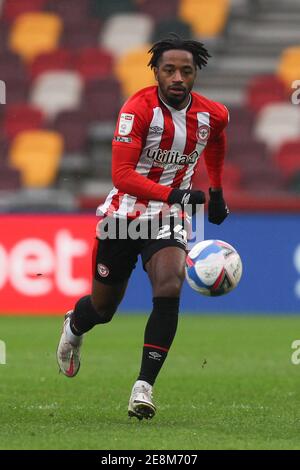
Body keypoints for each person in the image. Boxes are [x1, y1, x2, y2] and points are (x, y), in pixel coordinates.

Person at [56, 34, 229, 420]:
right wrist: (178, 196)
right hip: (122, 217)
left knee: (169, 285)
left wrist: (215, 190)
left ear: (196, 72)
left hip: (168, 220)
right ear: (155, 71)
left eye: (186, 70)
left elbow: (217, 141)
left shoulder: (213, 114)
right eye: (169, 70)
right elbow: (121, 176)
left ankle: (144, 386)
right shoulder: (137, 110)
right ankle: (74, 326)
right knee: (102, 308)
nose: (178, 77)